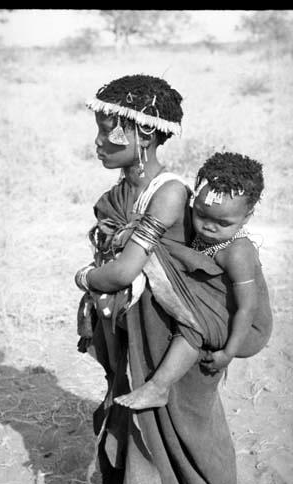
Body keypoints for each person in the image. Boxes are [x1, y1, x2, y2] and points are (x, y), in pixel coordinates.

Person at [75, 74, 240, 484]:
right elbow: (118, 263)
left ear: (143, 135)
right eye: (99, 132)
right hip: (134, 333)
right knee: (146, 435)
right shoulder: (118, 193)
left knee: (188, 437)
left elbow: (123, 273)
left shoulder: (167, 193)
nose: (100, 143)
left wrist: (84, 277)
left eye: (110, 133)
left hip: (175, 337)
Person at [114, 151, 273, 410]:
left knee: (192, 325)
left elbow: (247, 308)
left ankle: (159, 387)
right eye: (201, 215)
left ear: (246, 217)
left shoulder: (237, 251)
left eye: (222, 222)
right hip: (221, 310)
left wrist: (228, 353)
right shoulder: (204, 233)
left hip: (247, 327)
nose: (208, 227)